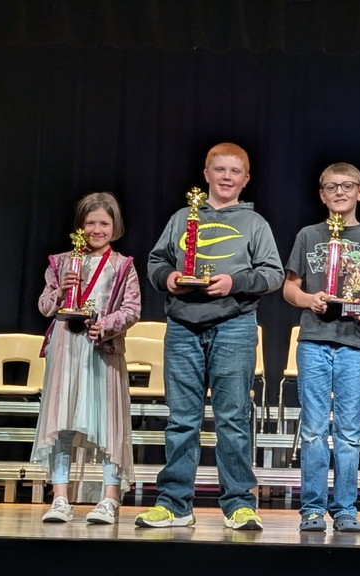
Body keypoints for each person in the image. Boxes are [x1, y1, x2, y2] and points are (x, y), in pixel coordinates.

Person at [136, 142, 284, 530]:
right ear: (206, 174)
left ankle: (238, 503)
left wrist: (234, 282)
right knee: (182, 420)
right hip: (183, 325)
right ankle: (174, 504)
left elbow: (273, 274)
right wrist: (168, 278)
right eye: (219, 170)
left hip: (234, 326)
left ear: (246, 179)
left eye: (235, 172)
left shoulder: (256, 225)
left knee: (232, 418)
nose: (226, 177)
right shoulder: (182, 217)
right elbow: (156, 261)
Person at [283, 162, 360, 533]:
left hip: (355, 344)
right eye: (332, 187)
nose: (340, 192)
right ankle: (312, 509)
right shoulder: (308, 235)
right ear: (321, 194)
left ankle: (346, 508)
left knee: (348, 430)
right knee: (314, 428)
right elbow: (289, 288)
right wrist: (307, 300)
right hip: (314, 340)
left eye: (347, 186)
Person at [33, 191, 141, 525]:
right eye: (91, 222)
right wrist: (62, 291)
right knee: (62, 421)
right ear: (80, 225)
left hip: (102, 350)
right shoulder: (62, 262)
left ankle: (109, 498)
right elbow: (44, 307)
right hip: (66, 349)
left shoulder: (122, 266)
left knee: (108, 423)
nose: (97, 229)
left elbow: (132, 309)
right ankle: (61, 497)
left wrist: (105, 326)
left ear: (115, 226)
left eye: (104, 223)